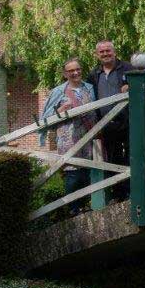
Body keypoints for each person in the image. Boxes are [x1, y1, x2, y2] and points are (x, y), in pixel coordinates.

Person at [42, 58, 96, 214]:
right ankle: (73, 209)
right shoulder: (58, 92)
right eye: (71, 71)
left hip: (89, 137)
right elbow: (45, 119)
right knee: (72, 175)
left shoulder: (90, 88)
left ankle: (85, 206)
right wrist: (60, 110)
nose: (76, 73)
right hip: (68, 141)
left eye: (78, 69)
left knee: (88, 172)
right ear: (65, 74)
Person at [89, 40, 133, 200]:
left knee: (131, 156)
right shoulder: (94, 74)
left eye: (108, 51)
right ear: (97, 54)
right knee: (113, 159)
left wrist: (130, 85)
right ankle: (119, 193)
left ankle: (132, 191)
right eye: (102, 52)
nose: (105, 54)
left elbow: (143, 86)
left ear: (114, 51)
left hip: (128, 121)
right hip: (106, 123)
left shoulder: (128, 68)